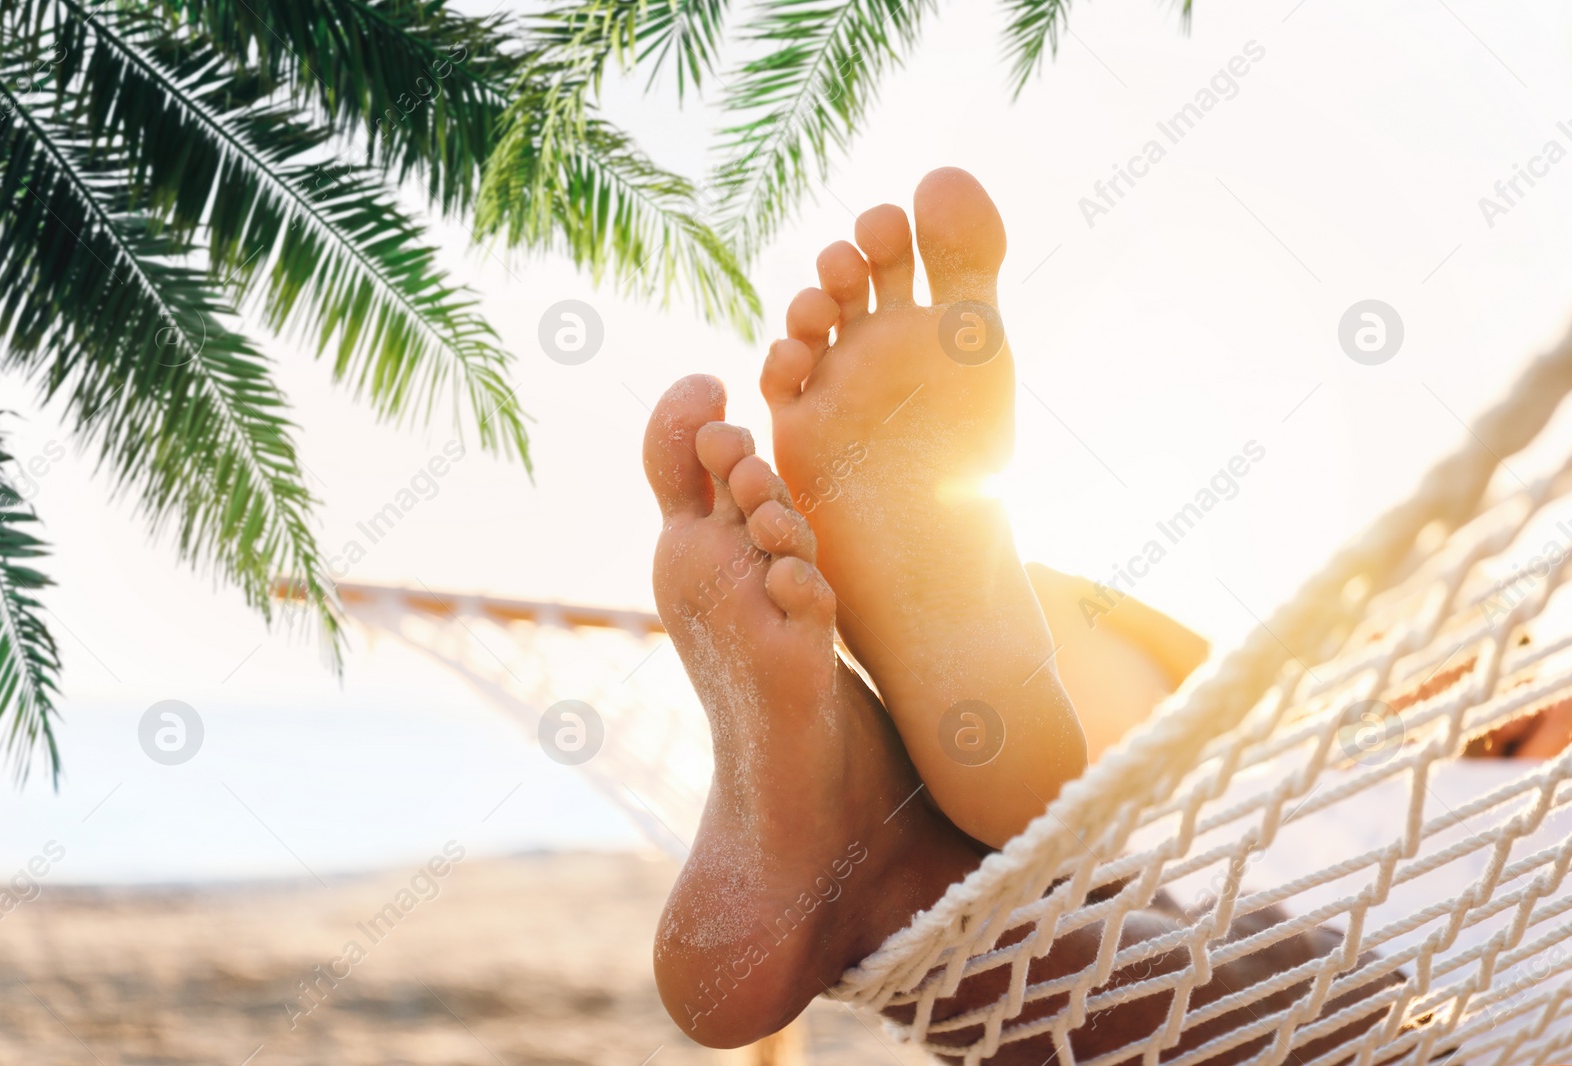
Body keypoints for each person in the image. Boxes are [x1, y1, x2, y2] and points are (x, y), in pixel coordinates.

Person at [642, 168, 1557, 1062]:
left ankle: (901, 860)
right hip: (1175, 849)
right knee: (1170, 914)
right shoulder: (1338, 751)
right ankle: (917, 819)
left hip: (1361, 961)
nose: (1483, 679)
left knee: (1305, 982)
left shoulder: (1532, 823)